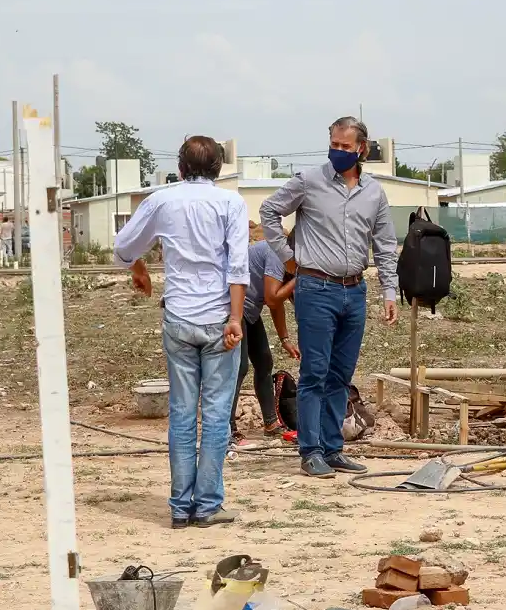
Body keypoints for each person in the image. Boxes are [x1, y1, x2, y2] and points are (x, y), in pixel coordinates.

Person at [113, 136, 249, 529]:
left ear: (181, 167)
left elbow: (123, 247)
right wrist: (236, 318)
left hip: (179, 318)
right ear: (219, 168)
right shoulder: (231, 203)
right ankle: (207, 505)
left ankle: (179, 506)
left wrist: (137, 266)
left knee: (182, 413)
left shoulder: (162, 200)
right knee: (217, 413)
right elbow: (237, 266)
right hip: (220, 319)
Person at [261, 116, 398, 479]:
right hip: (315, 289)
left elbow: (384, 244)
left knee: (340, 374)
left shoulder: (374, 193)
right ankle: (311, 451)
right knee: (314, 373)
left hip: (354, 291)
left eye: (345, 147)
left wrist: (389, 290)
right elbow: (269, 210)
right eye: (333, 144)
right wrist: (286, 257)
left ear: (361, 150)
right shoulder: (309, 181)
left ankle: (333, 448)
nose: (337, 151)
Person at [228, 234, 300, 448]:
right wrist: (300, 278)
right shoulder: (277, 254)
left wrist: (285, 339)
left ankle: (270, 422)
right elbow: (272, 297)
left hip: (249, 312)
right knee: (238, 367)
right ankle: (227, 428)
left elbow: (276, 304)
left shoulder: (290, 261)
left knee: (264, 362)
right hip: (234, 309)